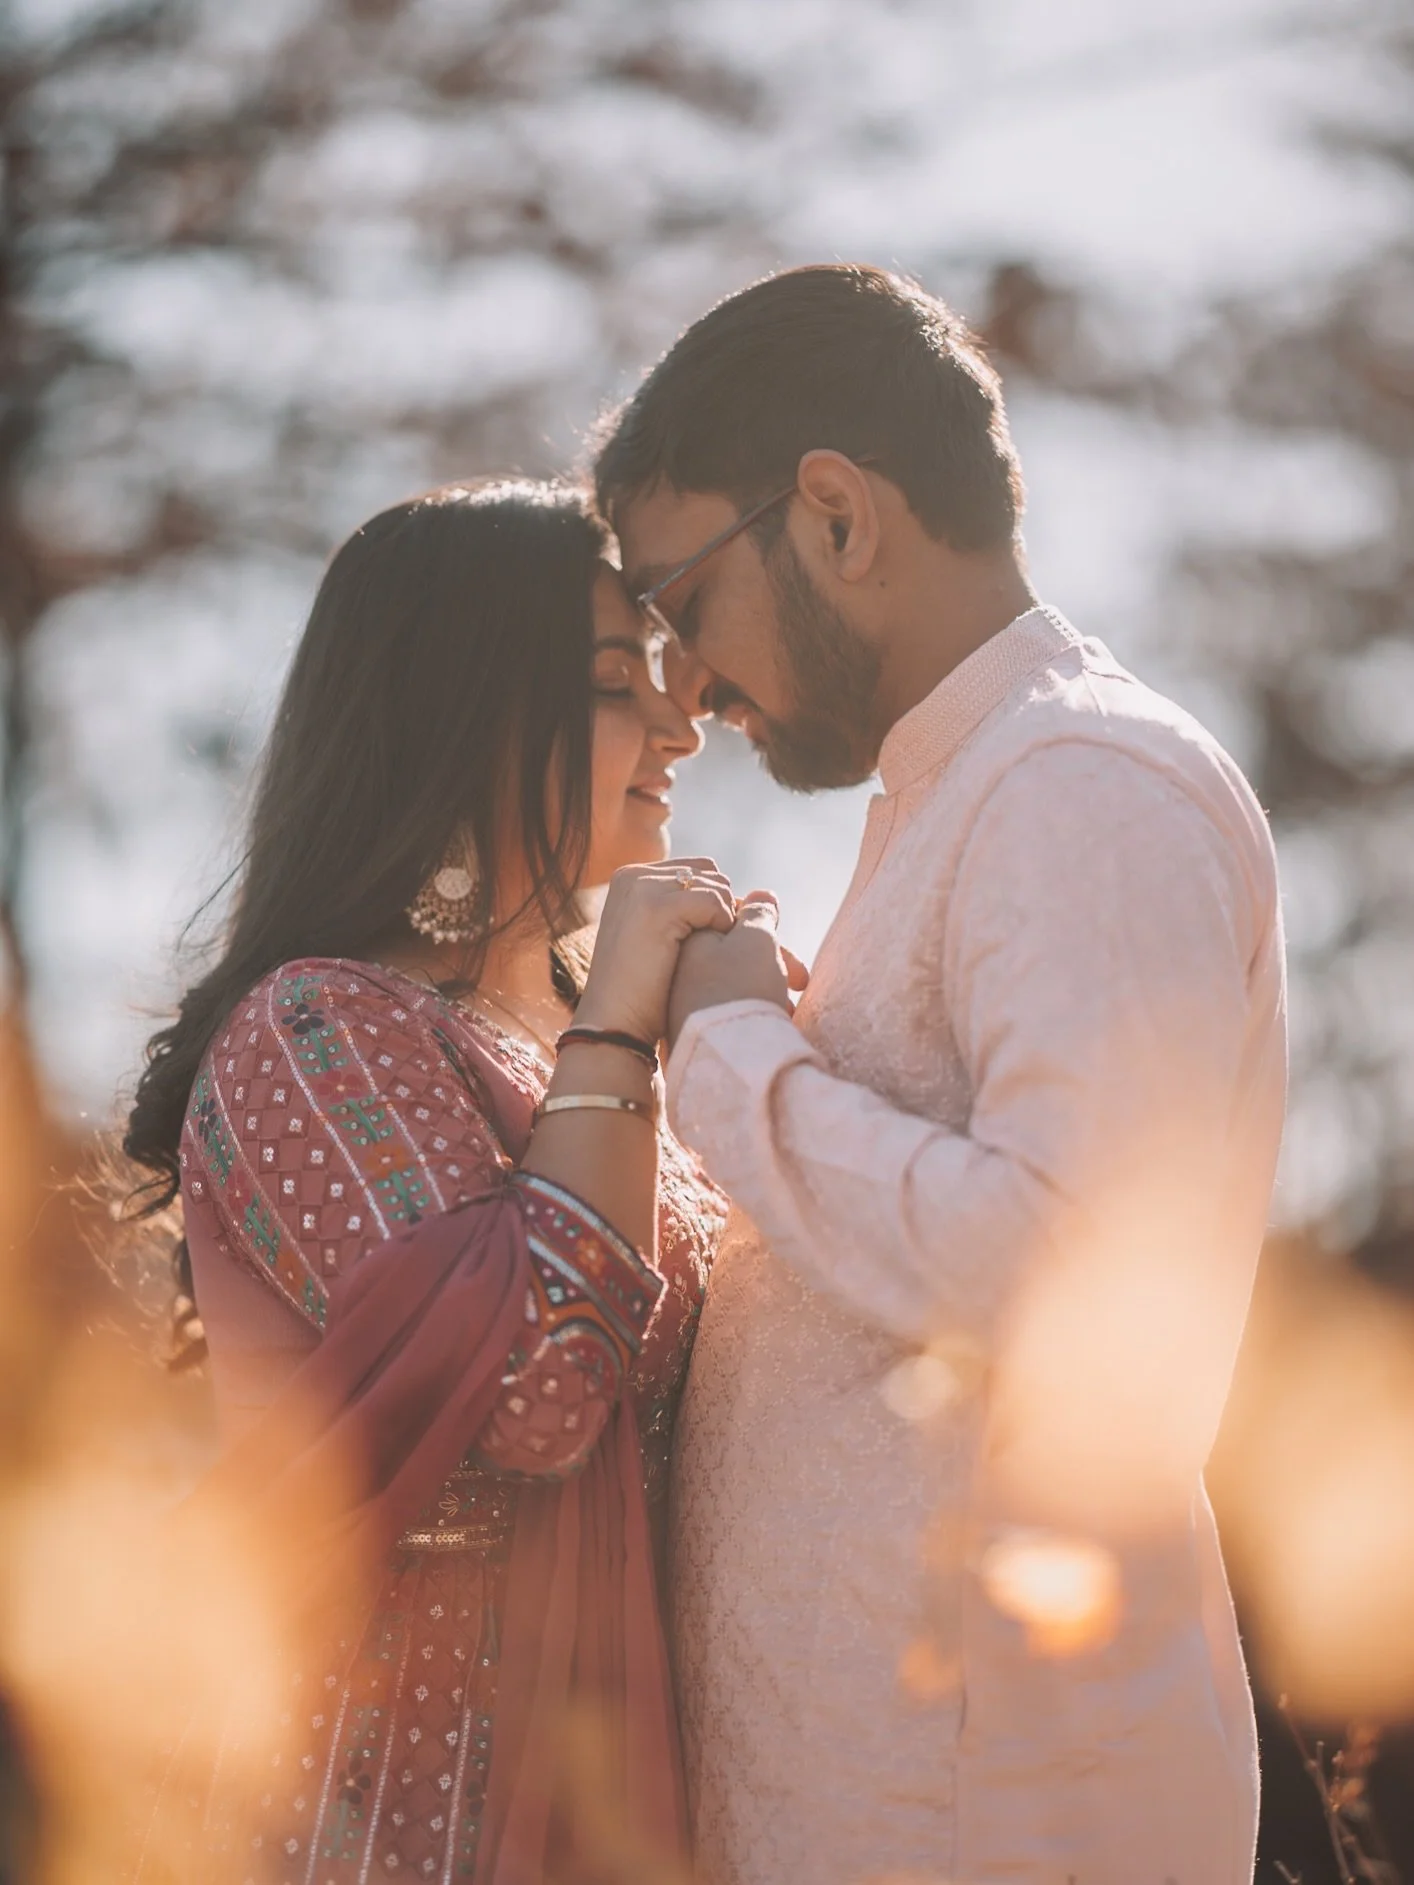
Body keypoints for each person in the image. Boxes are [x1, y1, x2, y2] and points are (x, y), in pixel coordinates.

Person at [596, 265, 1287, 1885]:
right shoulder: (969, 790)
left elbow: (1065, 1274)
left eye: (682, 601)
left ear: (833, 514)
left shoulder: (1077, 786)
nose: (680, 684)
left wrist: (725, 1046)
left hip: (987, 1809)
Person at [121, 480, 737, 1883]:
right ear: (461, 712)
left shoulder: (592, 1056)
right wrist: (618, 1027)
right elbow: (536, 1392)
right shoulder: (315, 1027)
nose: (675, 723)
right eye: (607, 683)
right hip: (392, 1803)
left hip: (621, 1780)